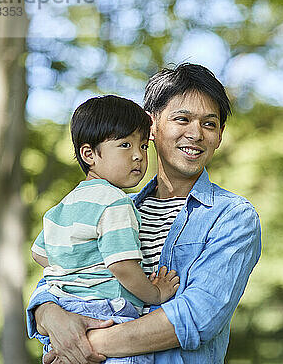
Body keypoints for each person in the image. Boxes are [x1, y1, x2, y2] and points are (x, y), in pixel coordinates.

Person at [27, 63, 262, 364]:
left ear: (220, 135)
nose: (196, 133)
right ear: (152, 125)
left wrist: (82, 343)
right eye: (182, 119)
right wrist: (50, 313)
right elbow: (56, 277)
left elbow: (196, 317)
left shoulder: (231, 217)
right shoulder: (112, 206)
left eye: (209, 124)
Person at [31, 95, 180, 363]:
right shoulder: (115, 202)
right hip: (105, 313)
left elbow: (41, 254)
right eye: (125, 145)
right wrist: (155, 292)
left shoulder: (64, 205)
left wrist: (78, 268)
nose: (138, 155)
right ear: (89, 154)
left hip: (64, 308)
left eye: (144, 146)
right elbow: (122, 266)